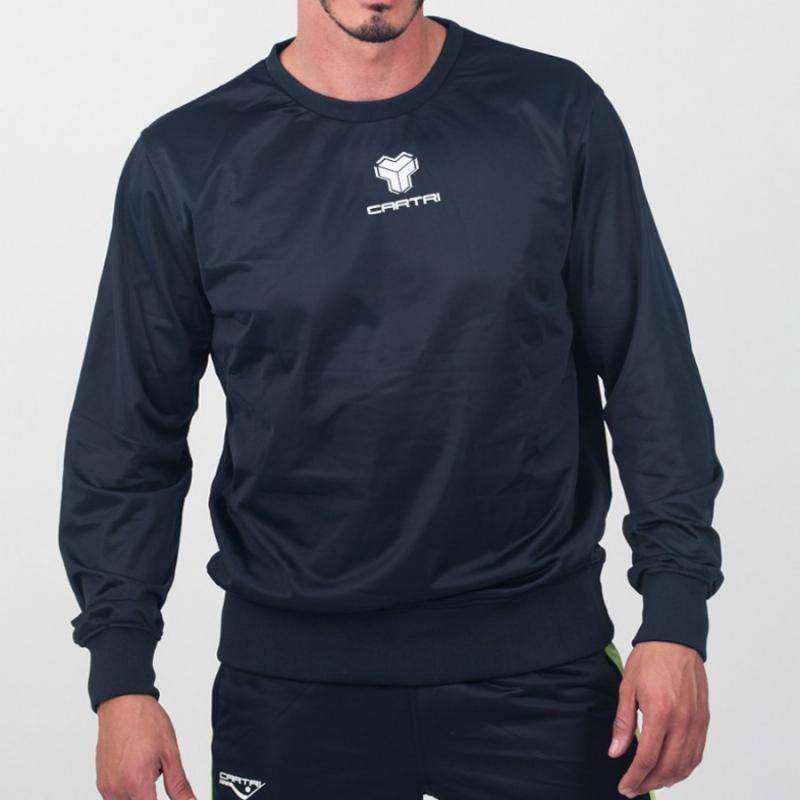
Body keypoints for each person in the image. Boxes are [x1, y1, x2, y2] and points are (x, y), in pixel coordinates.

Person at [59, 1, 723, 798]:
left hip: (541, 673)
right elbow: (128, 434)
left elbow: (651, 373)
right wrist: (121, 677)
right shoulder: (189, 158)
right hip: (291, 689)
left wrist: (676, 616)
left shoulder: (552, 111)